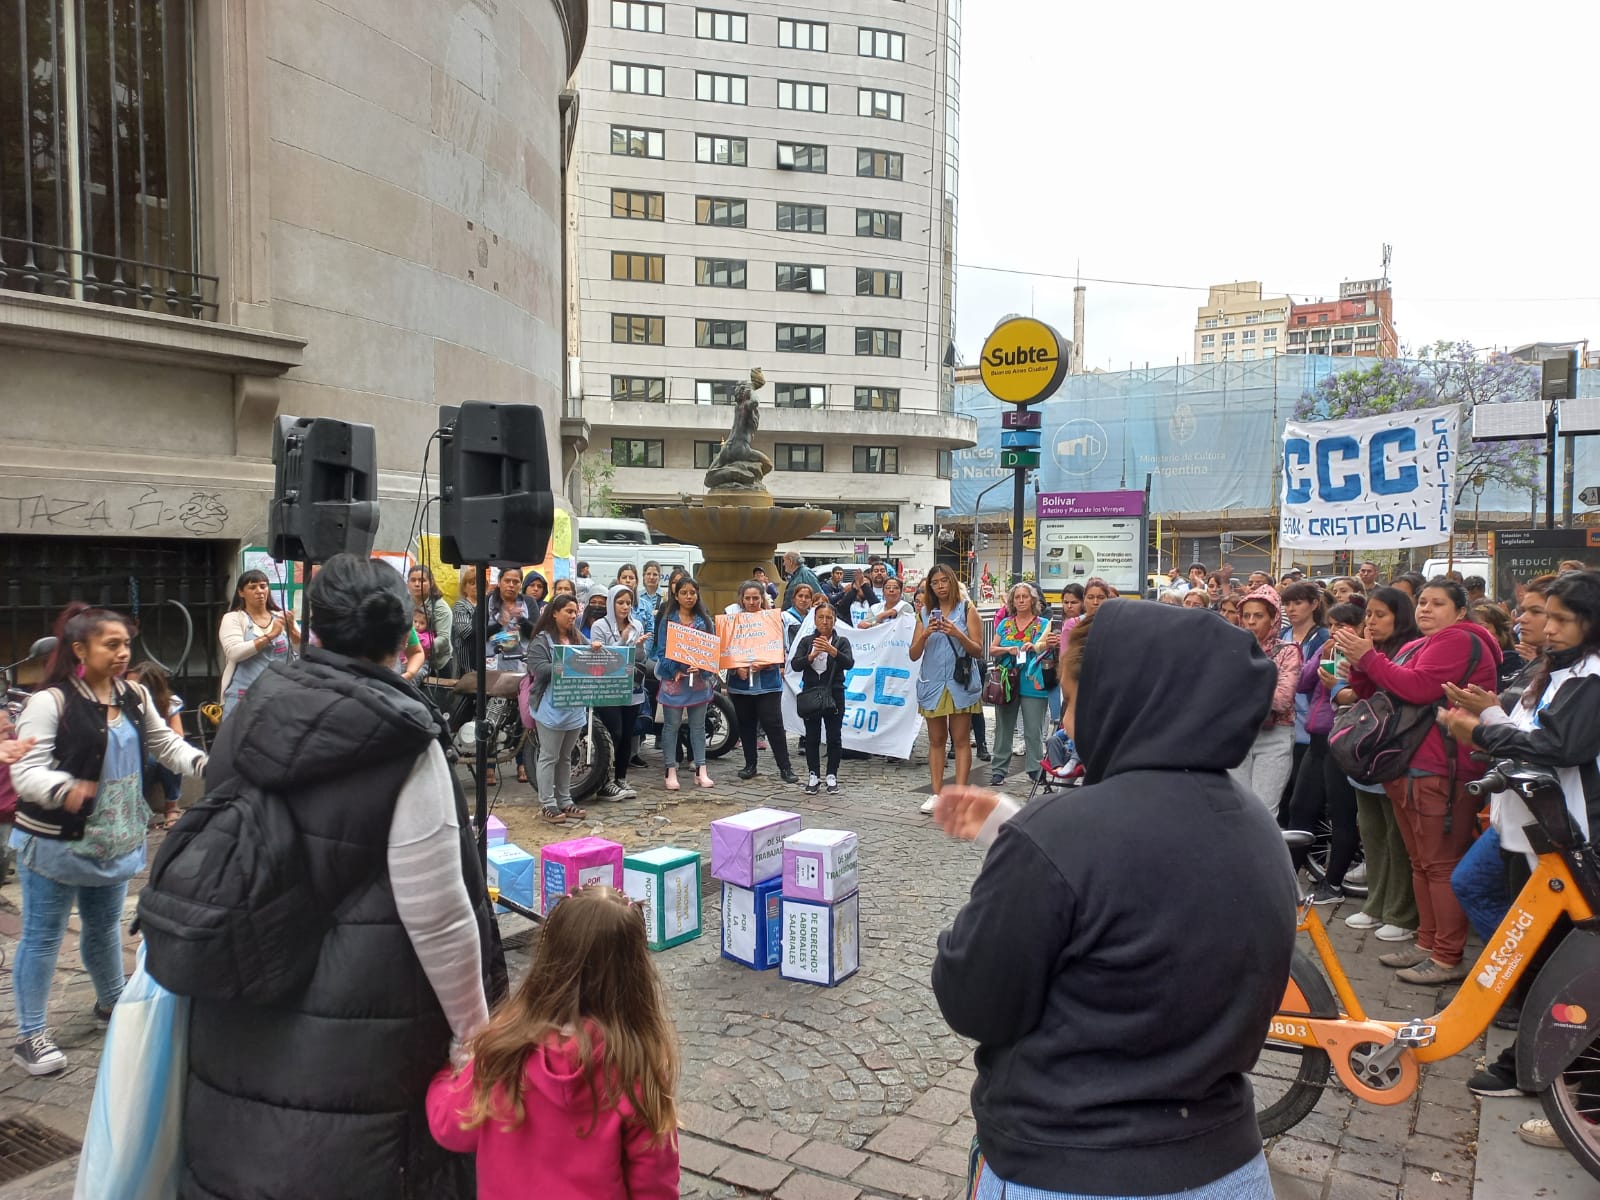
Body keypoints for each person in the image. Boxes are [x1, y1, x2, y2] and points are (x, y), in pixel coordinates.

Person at [929, 604, 1295, 1200]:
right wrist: (1020, 832)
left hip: (1066, 1164)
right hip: (1225, 1162)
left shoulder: (1060, 835)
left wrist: (1022, 848)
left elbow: (974, 1002)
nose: (1068, 724)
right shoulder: (1254, 822)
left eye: (1073, 701)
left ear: (1126, 699)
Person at [177, 554, 499, 1197]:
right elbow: (438, 912)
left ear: (316, 629)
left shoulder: (254, 706)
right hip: (369, 1029)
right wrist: (475, 1036)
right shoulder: (406, 739)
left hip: (246, 991)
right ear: (403, 637)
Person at [9, 605, 206, 1075]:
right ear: (80, 650)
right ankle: (30, 1033)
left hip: (115, 837)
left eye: (125, 644)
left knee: (102, 929)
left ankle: (111, 1002)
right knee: (41, 936)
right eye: (111, 645)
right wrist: (63, 789)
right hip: (56, 840)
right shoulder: (50, 701)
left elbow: (165, 744)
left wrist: (206, 764)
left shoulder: (135, 694)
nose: (123, 653)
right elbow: (26, 771)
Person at [1442, 571, 1600, 1111]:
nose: (1546, 628)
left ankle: (1566, 1086)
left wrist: (1481, 730)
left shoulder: (1592, 676)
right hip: (1535, 833)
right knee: (1541, 952)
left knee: (1562, 962)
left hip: (1575, 837)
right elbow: (1531, 732)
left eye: (1559, 619)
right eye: (1542, 615)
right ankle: (1547, 1069)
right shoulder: (1557, 670)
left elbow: (1559, 744)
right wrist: (1490, 715)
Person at [427, 883, 679, 1198]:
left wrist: (442, 1076)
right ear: (636, 973)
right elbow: (654, 1185)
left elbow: (451, 1128)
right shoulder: (638, 1069)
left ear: (548, 957)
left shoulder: (504, 1049)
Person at [1336, 578, 1501, 985]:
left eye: (1438, 603)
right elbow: (1378, 690)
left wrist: (1369, 658)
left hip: (1441, 767)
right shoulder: (1418, 644)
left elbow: (1418, 688)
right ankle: (1427, 943)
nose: (1426, 609)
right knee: (1421, 862)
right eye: (1422, 602)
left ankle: (1447, 956)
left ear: (1461, 611)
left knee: (1440, 863)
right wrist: (1360, 663)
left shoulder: (1459, 639)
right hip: (1409, 765)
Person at [1338, 587, 1423, 940]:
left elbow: (1401, 693)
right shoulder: (1371, 648)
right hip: (1366, 752)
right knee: (1371, 832)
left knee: (1396, 837)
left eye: (1380, 615)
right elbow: (1361, 693)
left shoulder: (1412, 649)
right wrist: (1358, 662)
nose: (1371, 621)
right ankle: (1374, 905)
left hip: (1395, 753)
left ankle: (1400, 913)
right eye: (1368, 614)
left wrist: (1369, 659)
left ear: (1400, 617)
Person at [1285, 603, 1367, 902]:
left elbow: (1351, 693)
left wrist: (1345, 669)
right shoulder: (1328, 649)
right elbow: (1304, 684)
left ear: (1359, 628)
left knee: (1340, 813)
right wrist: (1322, 655)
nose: (1335, 631)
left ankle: (1332, 884)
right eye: (1332, 625)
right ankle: (1288, 877)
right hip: (1317, 739)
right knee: (1299, 807)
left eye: (1343, 625)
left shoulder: (1364, 655)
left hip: (1343, 740)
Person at [910, 564, 984, 814]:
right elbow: (913, 654)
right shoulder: (924, 613)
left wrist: (956, 633)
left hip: (959, 682)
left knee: (961, 740)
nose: (940, 586)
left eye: (944, 581)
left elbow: (977, 650)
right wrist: (925, 634)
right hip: (932, 683)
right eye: (935, 582)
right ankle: (937, 793)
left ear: (952, 582)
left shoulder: (967, 609)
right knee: (936, 739)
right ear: (929, 586)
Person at [1230, 585, 1302, 811]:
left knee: (1263, 811)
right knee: (1237, 808)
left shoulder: (1287, 651)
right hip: (1237, 734)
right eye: (1246, 615)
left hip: (1274, 734)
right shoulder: (1233, 648)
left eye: (1258, 616)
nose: (1250, 622)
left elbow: (1282, 699)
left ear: (1273, 619)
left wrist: (1238, 691)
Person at [525, 595, 591, 824]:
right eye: (568, 611)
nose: (573, 616)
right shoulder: (541, 641)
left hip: (574, 705)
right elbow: (538, 669)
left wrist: (594, 650)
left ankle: (565, 800)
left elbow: (589, 657)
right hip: (549, 707)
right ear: (554, 612)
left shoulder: (577, 637)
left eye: (575, 612)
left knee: (565, 757)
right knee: (549, 756)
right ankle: (547, 803)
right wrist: (566, 665)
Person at [726, 581, 798, 785]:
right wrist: (735, 666)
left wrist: (767, 663)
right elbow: (726, 648)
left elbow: (780, 649)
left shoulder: (773, 620)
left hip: (767, 683)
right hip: (740, 684)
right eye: (747, 598)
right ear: (741, 599)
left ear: (762, 599)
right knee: (746, 724)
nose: (751, 602)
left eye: (755, 598)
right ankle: (750, 764)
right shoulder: (733, 621)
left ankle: (785, 767)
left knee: (773, 725)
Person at [650, 576, 716, 792]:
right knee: (671, 726)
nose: (689, 597)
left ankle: (701, 768)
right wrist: (674, 670)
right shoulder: (668, 620)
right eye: (684, 593)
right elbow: (662, 650)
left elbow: (711, 652)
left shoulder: (705, 621)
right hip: (674, 683)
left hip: (698, 683)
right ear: (676, 596)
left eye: (692, 593)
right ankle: (670, 769)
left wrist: (703, 668)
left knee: (698, 727)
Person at [988, 583, 1055, 786]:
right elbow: (992, 648)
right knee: (1004, 727)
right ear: (1012, 601)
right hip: (1008, 680)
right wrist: (1007, 650)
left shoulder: (1044, 624)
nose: (1021, 600)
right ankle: (999, 769)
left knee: (1033, 728)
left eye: (1025, 596)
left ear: (1033, 600)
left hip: (1034, 680)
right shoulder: (1006, 624)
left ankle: (1035, 768)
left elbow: (1050, 648)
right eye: (1017, 597)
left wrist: (1035, 646)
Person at [589, 585, 648, 803]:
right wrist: (623, 640)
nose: (624, 607)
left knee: (628, 735)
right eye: (620, 602)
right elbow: (603, 658)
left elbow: (640, 657)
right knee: (615, 732)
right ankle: (604, 781)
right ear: (611, 603)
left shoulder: (637, 624)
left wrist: (639, 645)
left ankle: (621, 777)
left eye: (628, 603)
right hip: (608, 686)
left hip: (631, 686)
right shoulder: (599, 626)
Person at [218, 569, 300, 718]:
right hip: (243, 697)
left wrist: (293, 631)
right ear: (241, 593)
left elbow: (303, 653)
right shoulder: (234, 618)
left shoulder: (281, 617)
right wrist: (271, 635)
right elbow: (234, 653)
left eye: (263, 586)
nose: (259, 591)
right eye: (252, 587)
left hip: (280, 696)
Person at [791, 602, 853, 795]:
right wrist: (811, 655)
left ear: (834, 620)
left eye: (829, 618)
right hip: (811, 694)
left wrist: (831, 650)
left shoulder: (841, 641)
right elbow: (795, 665)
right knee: (812, 737)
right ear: (815, 620)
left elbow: (849, 663)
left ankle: (831, 775)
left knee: (834, 736)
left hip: (834, 694)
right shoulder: (807, 641)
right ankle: (813, 775)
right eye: (821, 617)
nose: (825, 622)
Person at [1280, 580, 1330, 820]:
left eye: (1298, 603)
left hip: (1308, 724)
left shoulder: (1323, 638)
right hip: (1282, 721)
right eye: (1287, 603)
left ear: (1314, 604)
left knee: (1303, 793)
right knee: (1282, 791)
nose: (1291, 609)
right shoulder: (1282, 635)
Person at [125, 660, 185, 830]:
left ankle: (172, 806)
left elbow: (178, 735)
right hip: (135, 756)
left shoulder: (169, 702)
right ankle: (137, 808)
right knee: (149, 760)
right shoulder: (124, 703)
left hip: (158, 752)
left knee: (172, 753)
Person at [409, 565, 455, 678]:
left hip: (438, 665)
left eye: (421, 580)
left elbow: (443, 639)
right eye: (413, 580)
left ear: (431, 583)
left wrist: (418, 646)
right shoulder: (405, 602)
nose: (416, 584)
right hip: (410, 660)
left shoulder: (440, 608)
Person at [452, 567, 480, 677]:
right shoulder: (460, 606)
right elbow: (466, 632)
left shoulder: (487, 605)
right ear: (464, 587)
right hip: (466, 660)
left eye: (479, 582)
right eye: (472, 583)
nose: (476, 586)